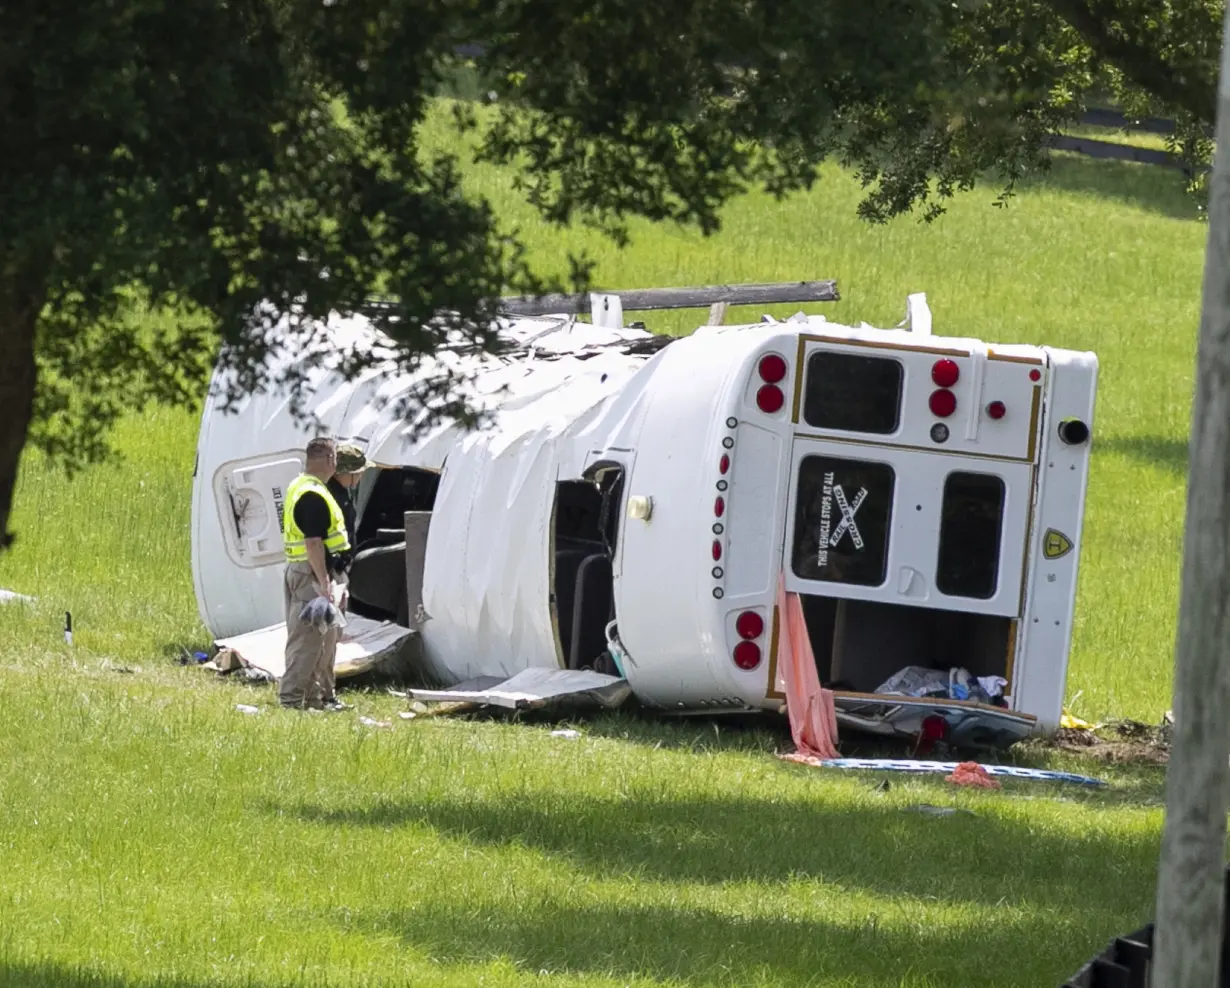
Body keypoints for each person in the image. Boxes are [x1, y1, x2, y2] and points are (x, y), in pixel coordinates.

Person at [280, 437, 351, 711]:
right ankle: (291, 699)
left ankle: (313, 698)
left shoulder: (302, 486)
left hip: (313, 571)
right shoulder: (312, 493)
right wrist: (324, 580)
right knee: (308, 638)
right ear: (330, 460)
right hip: (311, 574)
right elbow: (313, 542)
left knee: (323, 638)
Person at [313, 442, 374, 709]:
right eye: (357, 472)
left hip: (336, 570)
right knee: (325, 637)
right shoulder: (332, 497)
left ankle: (326, 691)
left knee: (331, 636)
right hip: (331, 571)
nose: (360, 477)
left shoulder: (336, 494)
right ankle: (320, 693)